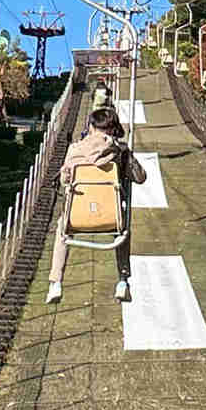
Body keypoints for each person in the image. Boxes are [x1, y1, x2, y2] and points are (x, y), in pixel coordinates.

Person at [48, 103, 140, 303]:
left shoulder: (75, 150)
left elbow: (64, 180)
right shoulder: (120, 151)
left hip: (77, 217)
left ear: (91, 126)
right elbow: (140, 177)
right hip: (110, 217)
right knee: (123, 230)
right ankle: (123, 279)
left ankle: (56, 282)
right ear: (113, 128)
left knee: (61, 229)